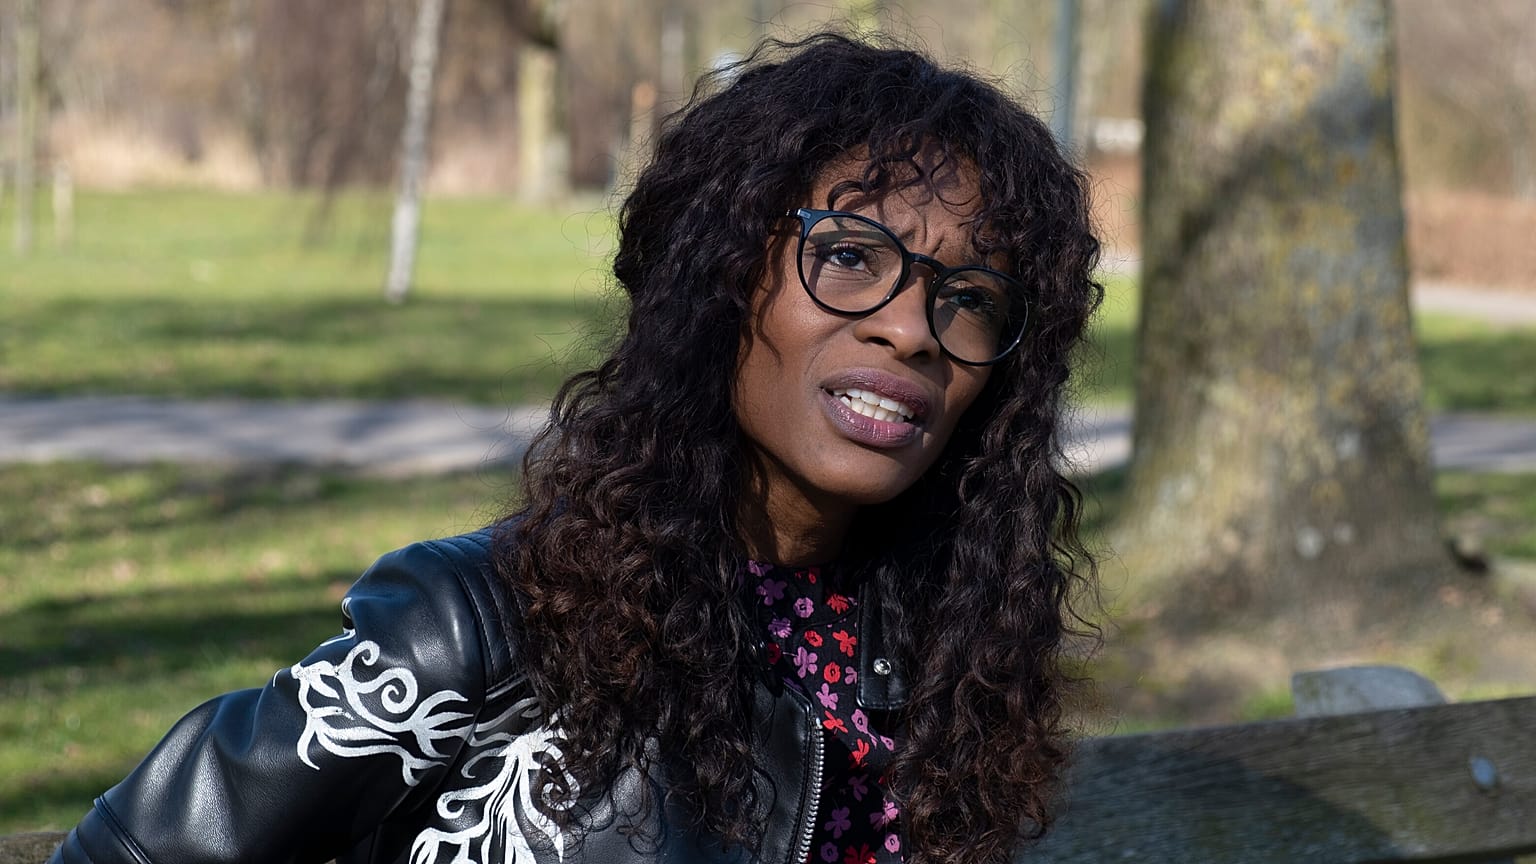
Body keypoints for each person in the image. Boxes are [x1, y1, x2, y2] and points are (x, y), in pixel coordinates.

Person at [50, 32, 1102, 864]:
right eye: (851, 256)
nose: (911, 329)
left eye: (969, 298)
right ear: (722, 275)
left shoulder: (943, 663)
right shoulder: (474, 632)